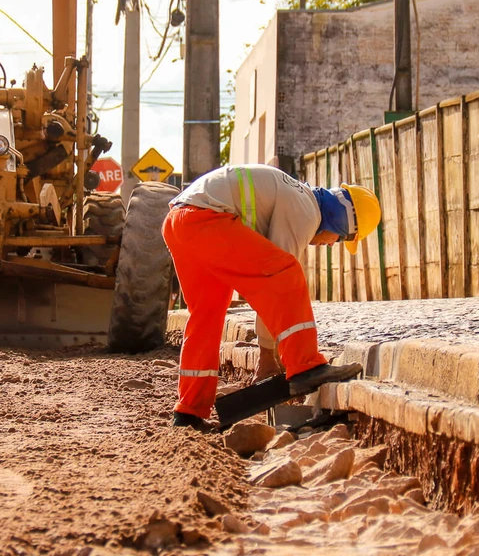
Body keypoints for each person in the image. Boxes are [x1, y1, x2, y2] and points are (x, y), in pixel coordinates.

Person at [161, 163, 382, 429]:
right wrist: (267, 355)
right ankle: (306, 365)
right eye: (340, 239)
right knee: (287, 272)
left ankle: (189, 412)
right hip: (207, 218)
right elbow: (274, 284)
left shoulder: (294, 194)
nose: (329, 245)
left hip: (180, 221)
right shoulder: (306, 208)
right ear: (342, 220)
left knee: (206, 315)